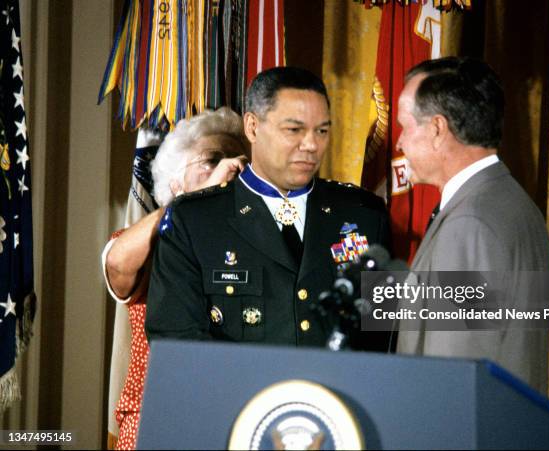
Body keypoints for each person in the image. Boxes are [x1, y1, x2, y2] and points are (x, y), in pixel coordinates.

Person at [145, 67, 391, 349]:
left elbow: (385, 339)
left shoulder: (364, 215)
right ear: (252, 127)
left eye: (322, 130)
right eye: (294, 129)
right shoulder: (194, 222)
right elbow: (175, 341)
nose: (311, 144)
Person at [394, 57, 549, 394]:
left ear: (438, 130)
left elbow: (454, 380)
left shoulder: (469, 225)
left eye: (405, 127)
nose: (399, 143)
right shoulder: (512, 201)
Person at [101, 107, 249, 450]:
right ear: (175, 182)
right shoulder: (151, 241)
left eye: (238, 159)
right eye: (212, 160)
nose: (232, 167)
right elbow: (119, 263)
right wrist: (194, 204)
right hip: (156, 421)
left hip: (231, 423)